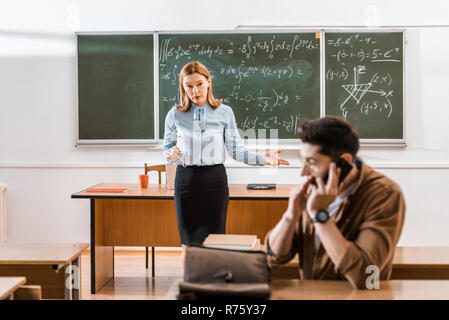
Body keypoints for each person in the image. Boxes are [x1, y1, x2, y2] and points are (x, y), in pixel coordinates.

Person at [163, 61, 289, 261]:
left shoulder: (224, 112)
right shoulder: (175, 114)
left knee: (216, 241)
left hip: (215, 181)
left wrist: (263, 158)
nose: (195, 91)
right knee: (188, 244)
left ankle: (214, 286)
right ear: (182, 87)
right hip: (186, 182)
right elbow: (167, 148)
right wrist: (171, 155)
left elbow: (236, 151)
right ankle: (192, 287)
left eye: (199, 84)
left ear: (208, 83)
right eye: (189, 86)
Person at [266, 116, 405, 289]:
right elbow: (273, 257)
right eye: (303, 160)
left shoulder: (384, 195)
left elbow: (367, 277)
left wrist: (320, 216)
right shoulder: (313, 189)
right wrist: (290, 216)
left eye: (312, 162)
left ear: (344, 162)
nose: (304, 173)